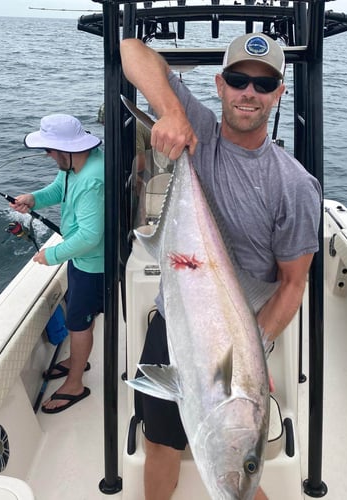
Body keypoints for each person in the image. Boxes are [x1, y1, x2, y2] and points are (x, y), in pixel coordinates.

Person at [120, 32, 322, 499]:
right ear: (220, 83)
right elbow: (131, 50)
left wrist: (252, 350)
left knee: (242, 470)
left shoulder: (294, 185)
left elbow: (293, 284)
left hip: (238, 338)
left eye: (264, 84)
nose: (249, 92)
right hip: (173, 323)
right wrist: (170, 114)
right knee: (160, 444)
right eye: (238, 80)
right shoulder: (199, 128)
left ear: (279, 93)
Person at [10, 114, 104, 414]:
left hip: (93, 263)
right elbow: (57, 190)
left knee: (79, 322)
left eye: (49, 149)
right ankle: (77, 359)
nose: (47, 155)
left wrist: (51, 255)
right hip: (80, 259)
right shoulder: (74, 165)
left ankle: (75, 383)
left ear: (65, 147)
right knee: (76, 314)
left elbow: (90, 236)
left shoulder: (92, 179)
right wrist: (32, 199)